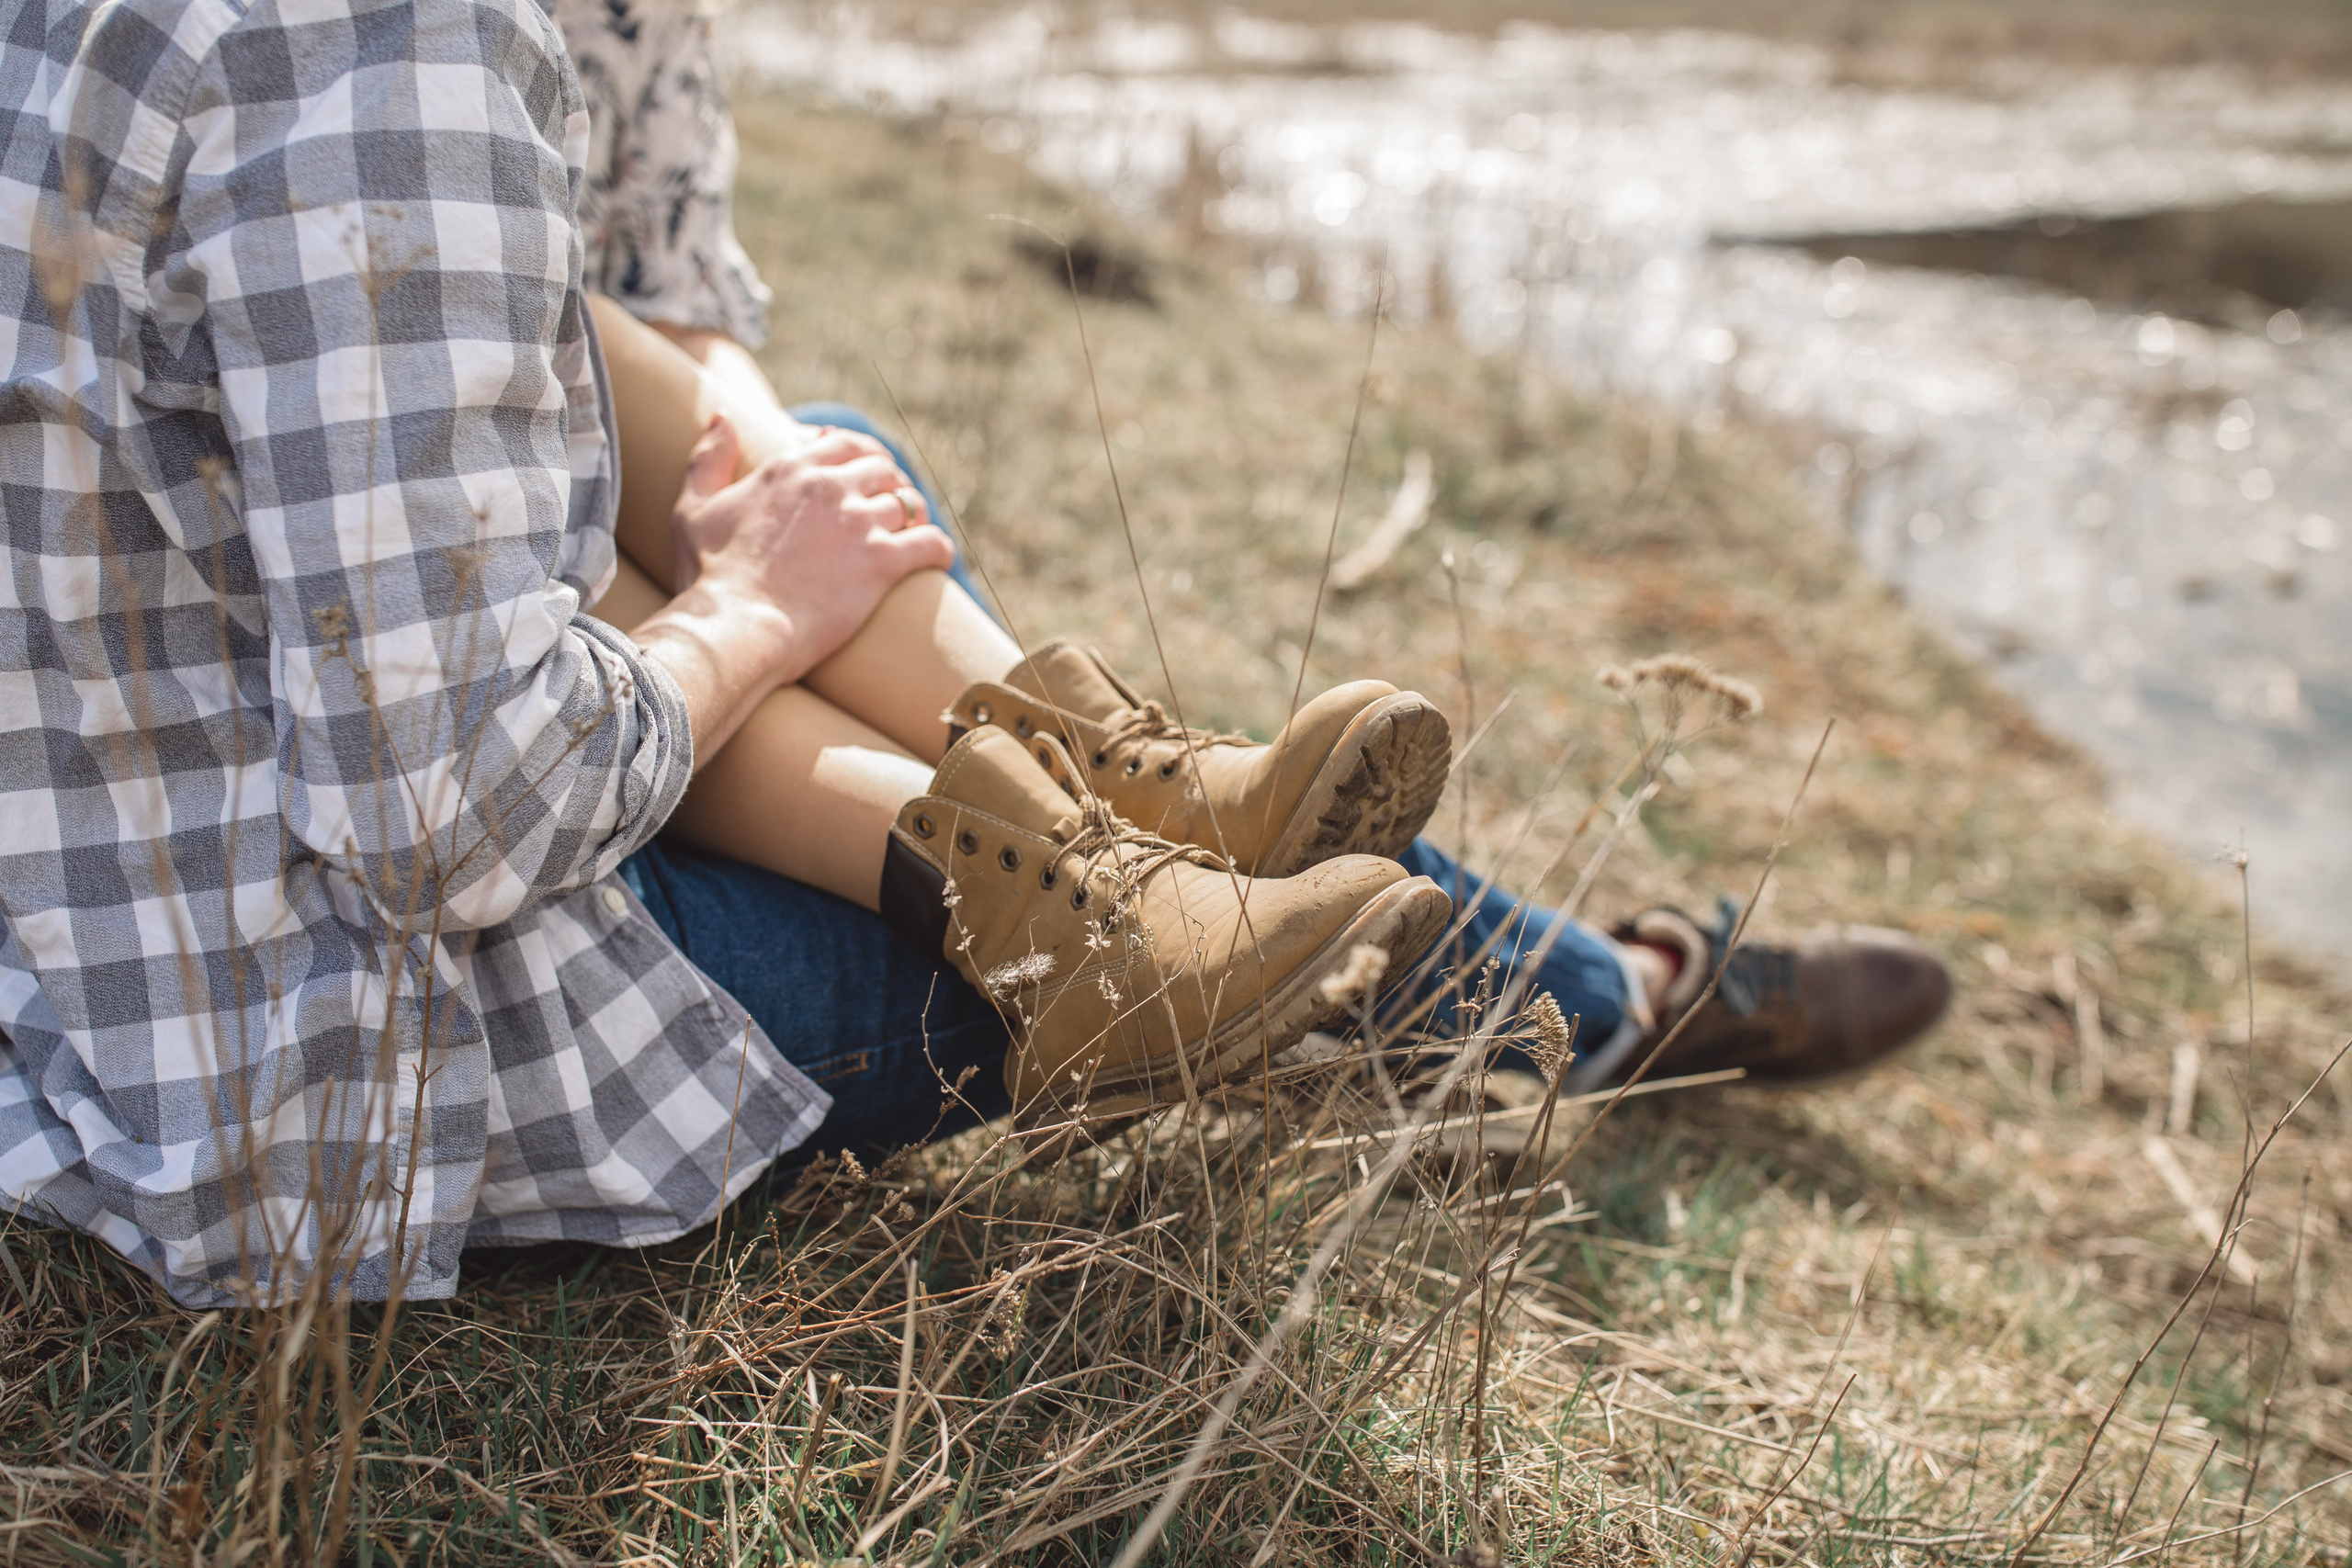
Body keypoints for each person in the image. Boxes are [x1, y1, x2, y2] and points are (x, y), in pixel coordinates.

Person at [0, 0, 1946, 1311]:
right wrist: (749, 607)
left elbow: (625, 319)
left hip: (194, 807)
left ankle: (1135, 814)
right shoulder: (381, 56)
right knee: (795, 552)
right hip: (324, 1034)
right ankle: (1563, 999)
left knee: (828, 464)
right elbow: (442, 804)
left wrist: (768, 513)